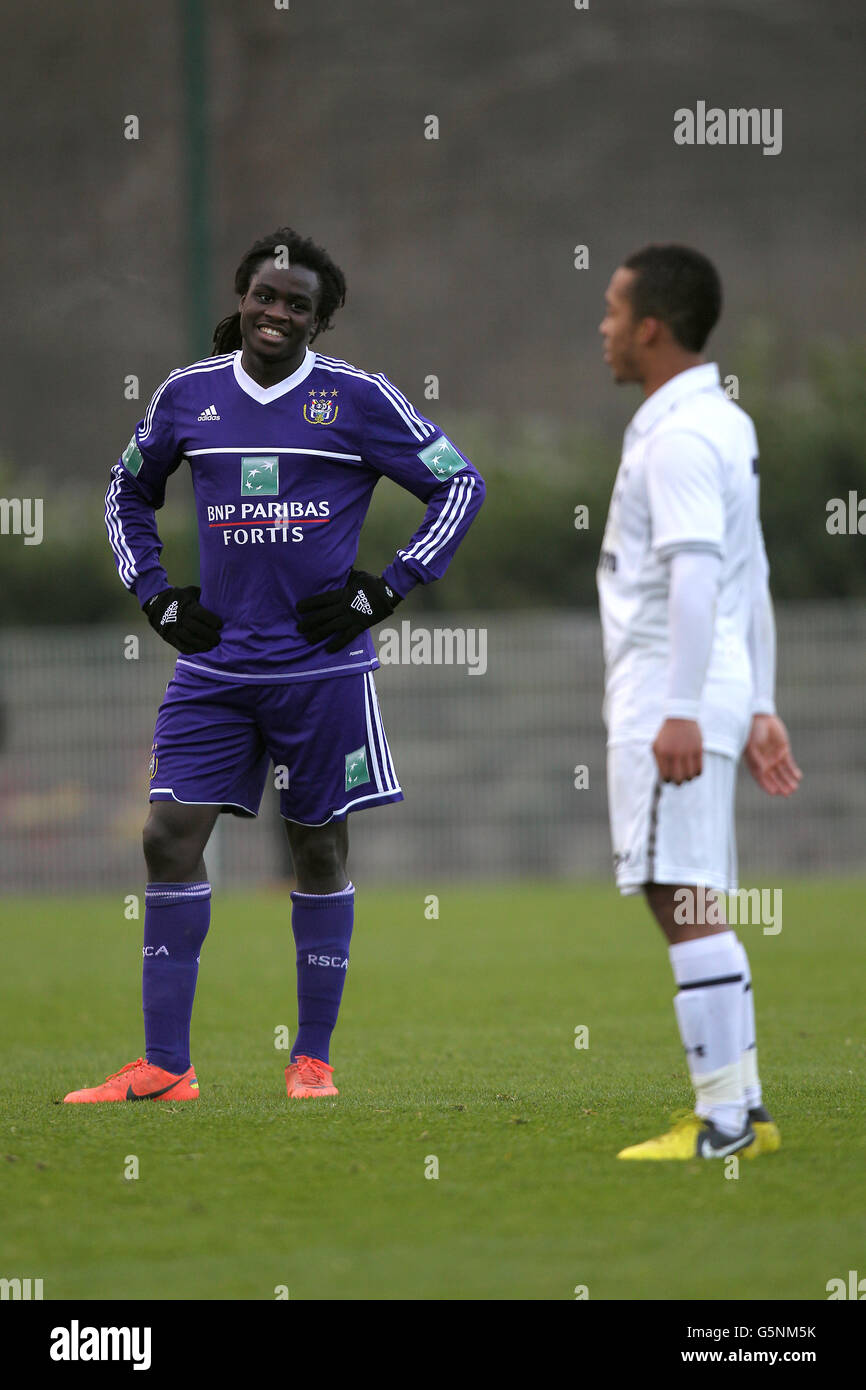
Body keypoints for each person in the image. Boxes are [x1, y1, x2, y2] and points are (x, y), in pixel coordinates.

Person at [66, 226, 484, 1104]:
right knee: (165, 837)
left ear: (319, 320)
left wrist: (388, 589)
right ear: (242, 298)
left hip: (322, 671)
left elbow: (460, 482)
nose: (278, 313)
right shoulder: (187, 396)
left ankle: (313, 1060)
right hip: (214, 668)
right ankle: (166, 1067)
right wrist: (157, 595)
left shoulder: (358, 399)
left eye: (299, 304)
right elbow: (124, 491)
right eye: (267, 296)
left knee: (319, 851)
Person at [596, 243, 801, 1159]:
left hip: (668, 690)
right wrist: (758, 703)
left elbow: (696, 576)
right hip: (711, 683)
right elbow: (749, 575)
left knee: (681, 896)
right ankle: (741, 1109)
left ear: (650, 327)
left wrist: (681, 708)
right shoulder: (720, 420)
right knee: (686, 890)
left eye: (611, 312)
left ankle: (726, 1120)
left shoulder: (681, 434)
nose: (601, 330)